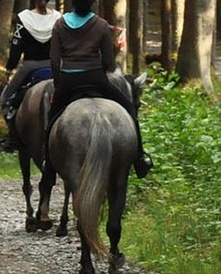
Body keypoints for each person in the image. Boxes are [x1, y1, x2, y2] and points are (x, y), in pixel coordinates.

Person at [46, 0, 153, 178]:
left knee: (50, 121)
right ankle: (140, 158)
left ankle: (49, 166)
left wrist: (59, 84)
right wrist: (98, 73)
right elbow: (108, 62)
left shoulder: (59, 24)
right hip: (96, 78)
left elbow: (55, 60)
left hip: (68, 80)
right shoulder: (102, 25)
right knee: (129, 108)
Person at [0, 0, 59, 151]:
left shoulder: (24, 18)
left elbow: (16, 47)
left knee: (5, 98)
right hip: (54, 66)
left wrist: (9, 70)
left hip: (30, 65)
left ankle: (12, 137)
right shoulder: (58, 18)